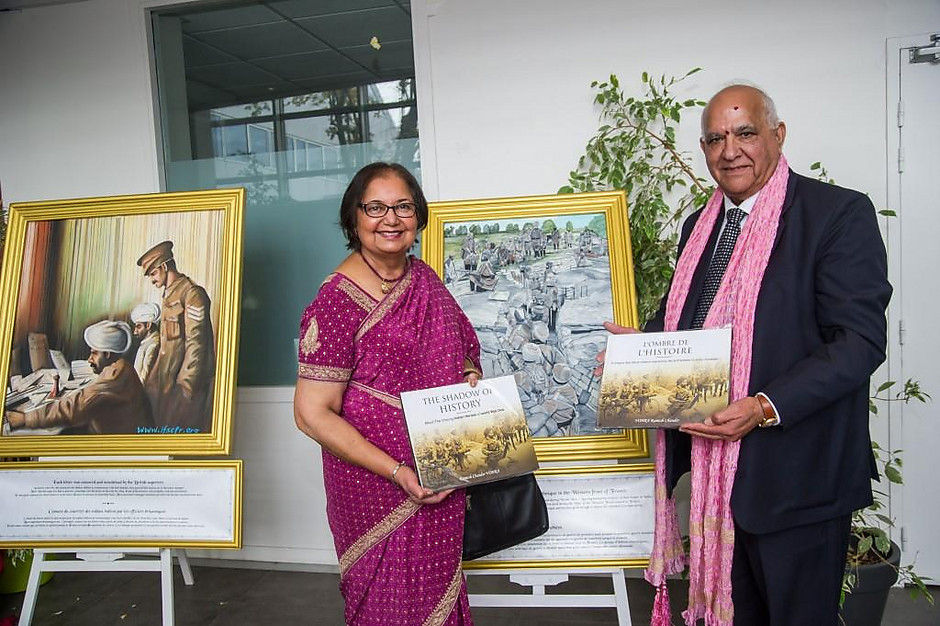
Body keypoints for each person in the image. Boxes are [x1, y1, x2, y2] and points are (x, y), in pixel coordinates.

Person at [605, 85, 891, 625]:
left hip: (799, 478)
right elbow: (685, 322)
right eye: (715, 138)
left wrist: (764, 405)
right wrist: (639, 353)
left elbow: (858, 342)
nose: (729, 150)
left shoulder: (836, 214)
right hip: (718, 489)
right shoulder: (700, 227)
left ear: (777, 135)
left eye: (745, 133)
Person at [293, 162, 482, 625]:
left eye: (403, 206)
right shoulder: (336, 300)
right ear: (353, 219)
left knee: (438, 599)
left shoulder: (425, 279)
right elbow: (311, 413)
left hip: (440, 472)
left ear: (418, 217)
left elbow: (465, 346)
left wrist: (469, 378)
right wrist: (397, 471)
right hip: (374, 489)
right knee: (385, 607)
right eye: (375, 207)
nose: (391, 219)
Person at [5, 320, 153, 434]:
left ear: (107, 354)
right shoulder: (122, 366)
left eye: (94, 353)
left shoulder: (113, 376)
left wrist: (25, 418)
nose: (89, 359)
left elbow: (72, 408)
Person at [137, 240, 215, 432]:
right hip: (164, 384)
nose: (152, 280)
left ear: (164, 267)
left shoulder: (192, 294)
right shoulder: (169, 294)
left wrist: (187, 389)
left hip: (181, 388)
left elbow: (196, 344)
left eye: (153, 273)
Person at [129, 302, 161, 384]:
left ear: (148, 325)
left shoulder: (153, 345)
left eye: (138, 327)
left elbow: (144, 377)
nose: (135, 332)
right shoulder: (147, 342)